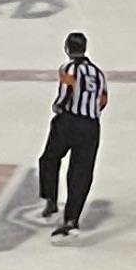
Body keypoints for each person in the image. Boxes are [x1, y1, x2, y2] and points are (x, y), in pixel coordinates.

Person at [39, 30, 107, 234]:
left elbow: (67, 89)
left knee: (49, 159)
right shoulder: (98, 73)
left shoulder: (68, 68)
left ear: (67, 49)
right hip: (91, 126)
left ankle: (51, 200)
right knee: (81, 172)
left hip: (69, 122)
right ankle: (71, 220)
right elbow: (103, 99)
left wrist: (58, 106)